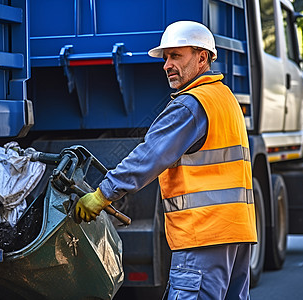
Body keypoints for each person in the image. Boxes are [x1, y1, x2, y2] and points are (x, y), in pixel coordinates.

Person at [74, 20, 257, 300]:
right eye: (166, 57)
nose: (167, 65)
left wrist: (102, 195)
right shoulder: (224, 97)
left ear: (202, 58)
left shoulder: (190, 105)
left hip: (202, 235)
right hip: (236, 233)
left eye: (175, 56)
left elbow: (149, 156)